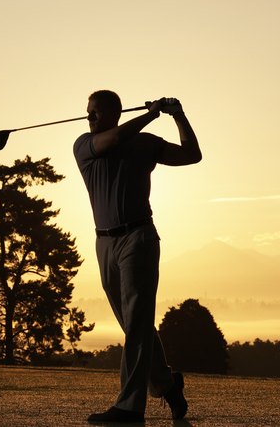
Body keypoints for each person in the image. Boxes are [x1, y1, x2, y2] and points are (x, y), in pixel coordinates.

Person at [73, 90, 201, 423]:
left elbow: (191, 155)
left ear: (114, 112)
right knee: (135, 324)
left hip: (138, 238)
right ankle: (167, 384)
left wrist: (177, 115)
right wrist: (151, 114)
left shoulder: (144, 143)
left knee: (137, 324)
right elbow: (113, 139)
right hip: (105, 244)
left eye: (96, 113)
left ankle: (129, 407)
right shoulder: (84, 145)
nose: (90, 118)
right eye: (89, 112)